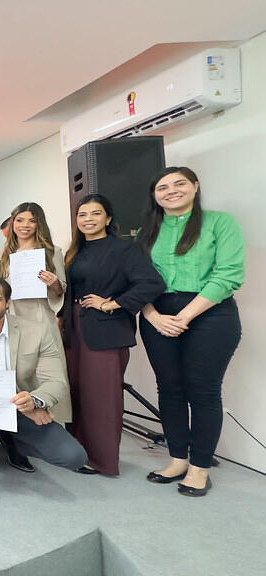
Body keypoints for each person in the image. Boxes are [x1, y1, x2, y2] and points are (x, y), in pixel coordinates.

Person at [138, 167, 244, 497]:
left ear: (195, 187)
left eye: (179, 184)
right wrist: (154, 316)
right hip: (157, 316)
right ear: (154, 195)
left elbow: (228, 275)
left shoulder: (220, 223)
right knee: (169, 389)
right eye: (162, 187)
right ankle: (177, 460)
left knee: (203, 391)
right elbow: (136, 281)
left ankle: (199, 467)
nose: (171, 191)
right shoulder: (147, 232)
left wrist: (183, 316)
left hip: (210, 314)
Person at [0, 275, 88, 490]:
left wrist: (35, 401)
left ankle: (9, 436)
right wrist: (24, 406)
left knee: (73, 456)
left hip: (24, 404)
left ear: (7, 302)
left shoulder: (37, 330)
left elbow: (56, 381)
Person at [62, 194, 164, 476]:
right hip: (74, 329)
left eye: (95, 213)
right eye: (82, 214)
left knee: (102, 397)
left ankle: (102, 460)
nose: (88, 219)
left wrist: (112, 304)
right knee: (76, 392)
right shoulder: (75, 251)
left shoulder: (125, 249)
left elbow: (151, 283)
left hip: (105, 330)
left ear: (108, 218)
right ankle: (77, 453)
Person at [0, 202, 65, 326]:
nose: (25, 225)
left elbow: (62, 289)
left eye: (32, 221)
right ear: (12, 222)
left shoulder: (52, 251)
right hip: (13, 316)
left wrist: (55, 284)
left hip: (41, 317)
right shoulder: (5, 253)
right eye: (19, 220)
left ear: (39, 224)